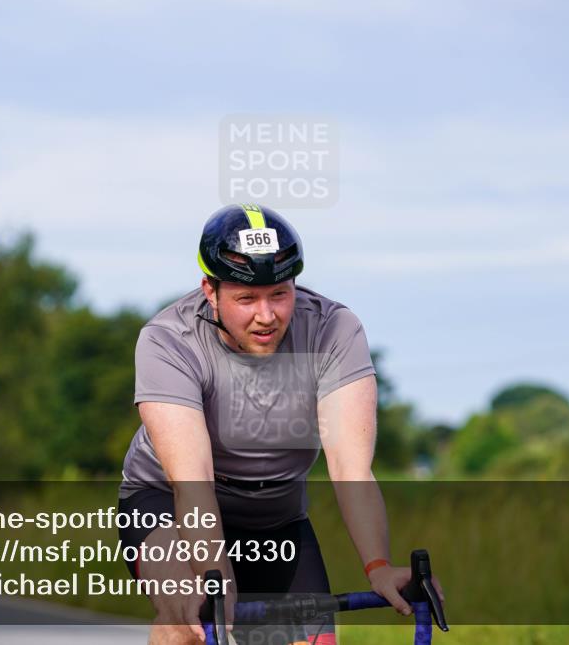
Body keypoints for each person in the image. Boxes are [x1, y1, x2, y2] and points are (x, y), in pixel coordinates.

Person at [117, 203, 442, 645]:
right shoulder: (168, 341)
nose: (266, 316)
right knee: (191, 617)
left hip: (275, 517)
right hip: (167, 502)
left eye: (280, 294)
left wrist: (378, 567)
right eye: (246, 299)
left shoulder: (334, 330)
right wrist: (217, 581)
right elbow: (192, 482)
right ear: (209, 291)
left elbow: (350, 470)